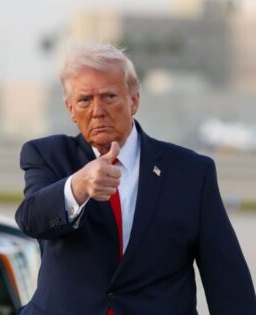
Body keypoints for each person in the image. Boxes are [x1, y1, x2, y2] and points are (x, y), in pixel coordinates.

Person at [15, 43, 256, 315]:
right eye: (85, 100)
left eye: (109, 97)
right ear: (70, 109)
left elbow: (228, 282)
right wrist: (79, 186)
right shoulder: (47, 156)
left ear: (134, 100)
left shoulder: (191, 173)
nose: (97, 110)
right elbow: (32, 220)